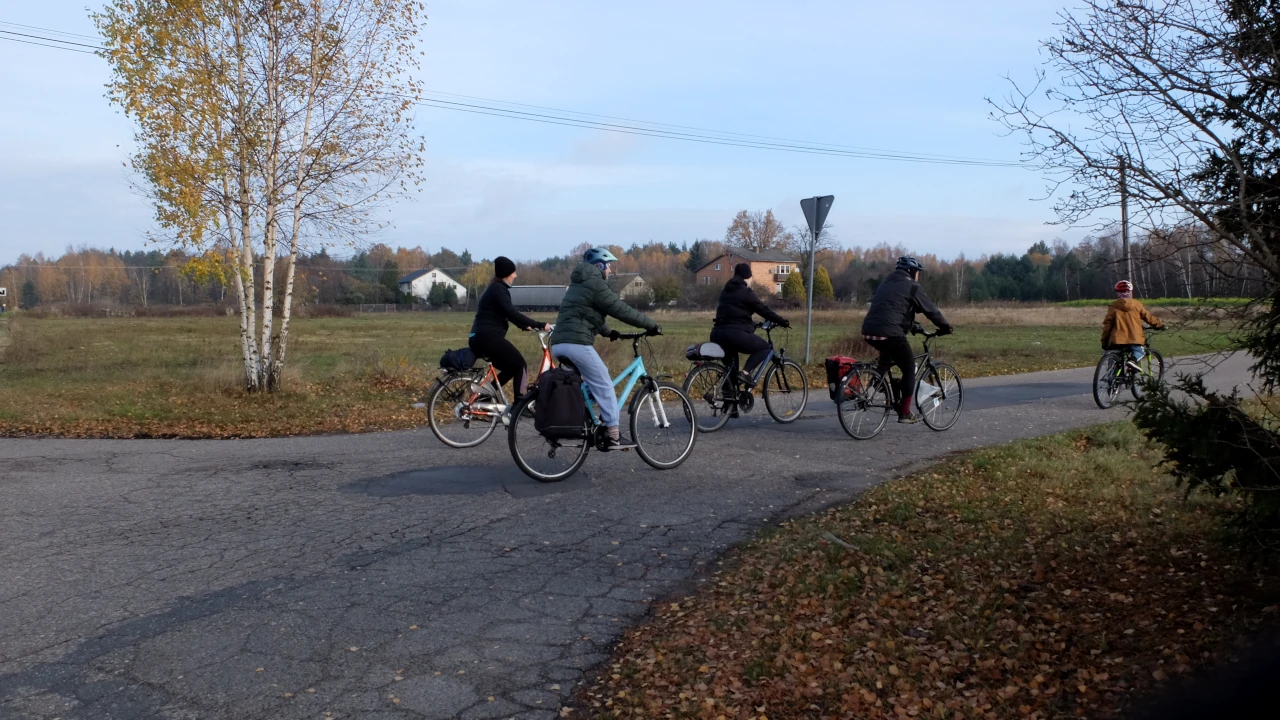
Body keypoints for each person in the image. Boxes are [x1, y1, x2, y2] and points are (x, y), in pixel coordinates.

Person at [549, 247, 661, 450]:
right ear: (599, 265)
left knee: (592, 381)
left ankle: (589, 417)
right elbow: (620, 309)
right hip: (577, 344)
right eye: (608, 265)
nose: (610, 270)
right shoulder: (596, 283)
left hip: (558, 344)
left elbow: (588, 314)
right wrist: (651, 325)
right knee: (605, 383)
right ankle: (613, 435)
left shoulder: (579, 284)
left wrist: (610, 332)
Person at [860, 256, 953, 424]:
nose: (918, 276)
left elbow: (893, 310)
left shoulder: (886, 282)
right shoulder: (912, 286)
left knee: (886, 359)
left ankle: (878, 385)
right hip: (890, 333)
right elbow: (931, 311)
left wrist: (913, 326)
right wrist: (946, 327)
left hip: (869, 330)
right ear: (912, 272)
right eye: (918, 272)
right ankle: (904, 412)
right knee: (909, 366)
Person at [468, 256, 550, 399]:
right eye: (513, 272)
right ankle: (520, 404)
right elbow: (511, 312)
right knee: (520, 365)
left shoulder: (494, 288)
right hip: (488, 337)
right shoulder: (498, 289)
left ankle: (484, 398)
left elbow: (506, 313)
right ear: (507, 274)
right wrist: (540, 324)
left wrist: (524, 325)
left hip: (480, 337)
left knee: (511, 368)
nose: (515, 275)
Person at [711, 263, 790, 388]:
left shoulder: (725, 291)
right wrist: (782, 321)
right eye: (750, 277)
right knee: (764, 348)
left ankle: (729, 397)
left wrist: (752, 324)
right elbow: (763, 310)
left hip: (717, 334)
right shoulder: (746, 292)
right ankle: (746, 373)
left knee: (731, 370)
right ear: (747, 277)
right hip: (734, 334)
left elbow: (733, 314)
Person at [1101, 280, 1163, 367]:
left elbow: (1107, 325)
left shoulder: (1113, 306)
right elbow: (1148, 317)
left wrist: (1104, 342)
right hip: (1134, 338)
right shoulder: (1137, 304)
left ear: (1117, 293)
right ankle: (1132, 362)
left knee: (1113, 355)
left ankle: (1111, 371)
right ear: (1130, 292)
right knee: (1139, 351)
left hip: (1117, 339)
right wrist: (1159, 325)